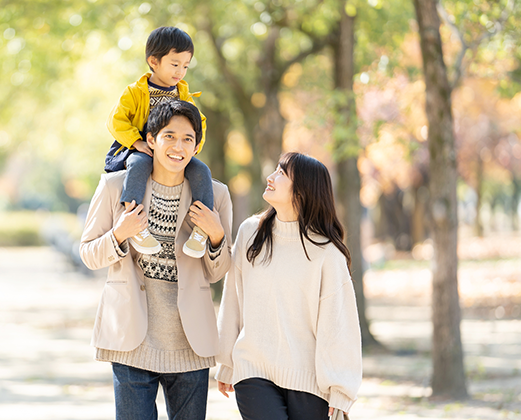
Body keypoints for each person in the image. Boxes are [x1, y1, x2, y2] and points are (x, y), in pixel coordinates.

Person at [80, 100, 233, 420]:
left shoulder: (215, 195)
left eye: (188, 139)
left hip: (190, 345)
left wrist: (216, 235)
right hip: (130, 340)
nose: (179, 147)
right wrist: (119, 235)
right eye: (170, 136)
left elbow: (217, 272)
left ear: (196, 144)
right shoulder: (114, 187)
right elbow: (89, 254)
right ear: (151, 139)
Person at [215, 152, 362, 419]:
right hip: (253, 370)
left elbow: (338, 324)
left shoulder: (327, 253)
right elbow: (233, 298)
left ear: (303, 190)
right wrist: (227, 361)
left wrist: (341, 388)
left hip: (310, 382)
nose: (271, 177)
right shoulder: (250, 233)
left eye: (282, 173)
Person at [105, 26, 214, 259]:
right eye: (175, 64)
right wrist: (136, 142)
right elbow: (116, 120)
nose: (181, 71)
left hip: (174, 151)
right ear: (154, 61)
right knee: (138, 166)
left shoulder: (184, 95)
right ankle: (135, 223)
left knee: (201, 171)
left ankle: (201, 229)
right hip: (142, 148)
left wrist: (192, 148)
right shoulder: (135, 92)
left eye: (186, 65)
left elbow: (199, 122)